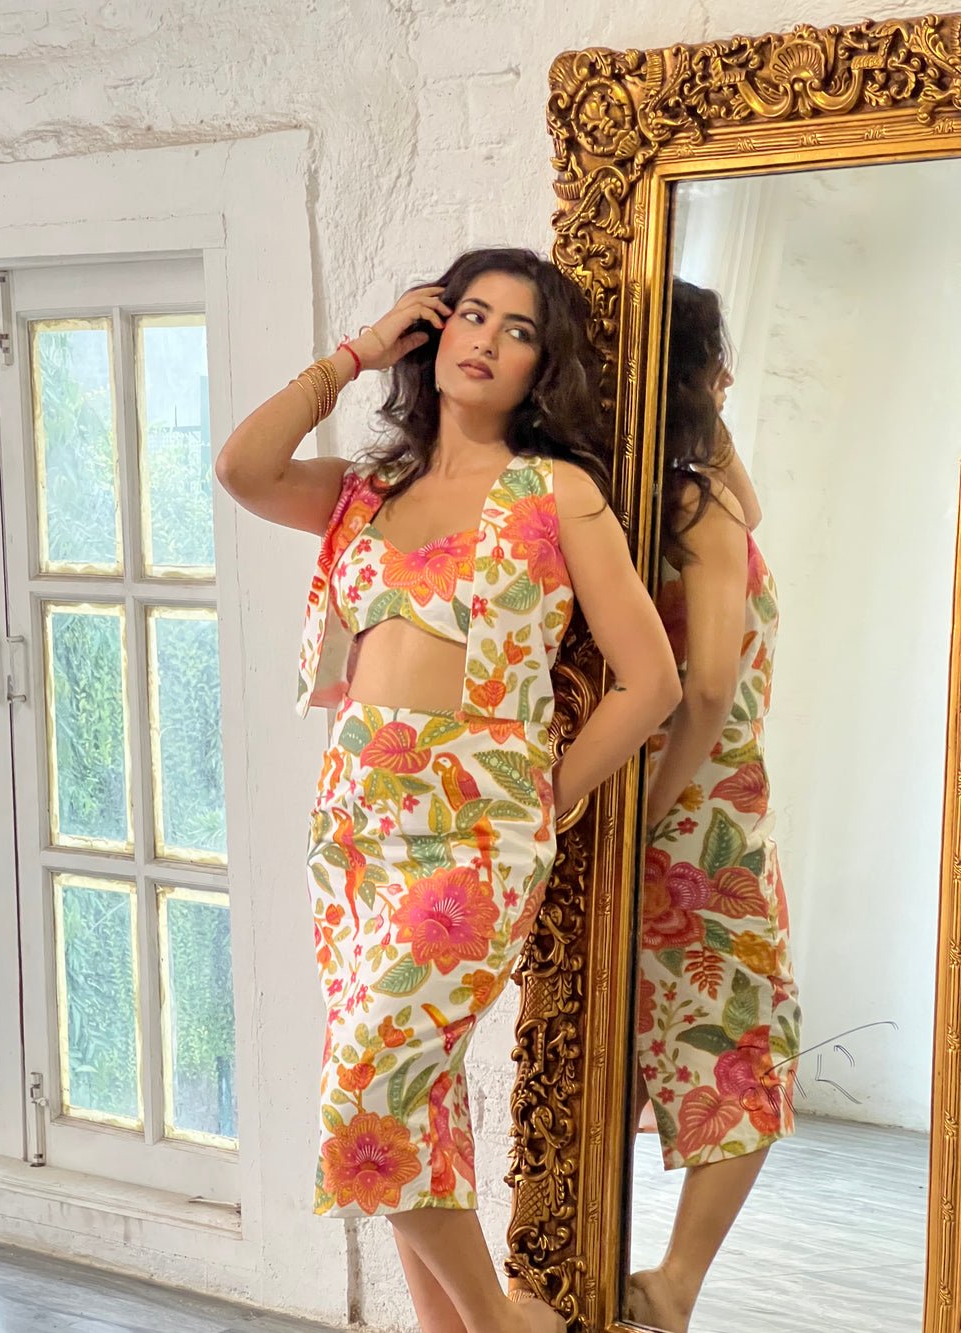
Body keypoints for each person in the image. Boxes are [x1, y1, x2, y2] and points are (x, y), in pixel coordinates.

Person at [215, 247, 681, 1333]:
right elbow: (241, 466)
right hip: (357, 830)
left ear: (540, 368)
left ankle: (504, 1324)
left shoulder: (558, 494)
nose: (487, 340)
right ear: (434, 332)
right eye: (471, 314)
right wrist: (356, 352)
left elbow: (651, 680)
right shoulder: (365, 490)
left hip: (475, 836)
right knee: (412, 1096)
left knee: (366, 1089)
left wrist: (543, 792)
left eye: (519, 331)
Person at [627, 280, 801, 1333]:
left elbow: (756, 513)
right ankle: (674, 1285)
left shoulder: (628, 493)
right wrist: (661, 812)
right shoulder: (695, 503)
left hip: (663, 794)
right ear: (698, 375)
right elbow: (707, 690)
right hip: (700, 806)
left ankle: (609, 1265)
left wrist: (702, 407)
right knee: (748, 1045)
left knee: (628, 1040)